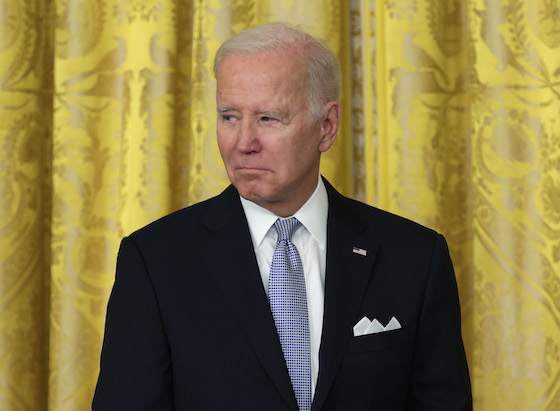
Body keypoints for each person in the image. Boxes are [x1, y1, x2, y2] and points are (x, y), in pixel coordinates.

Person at [92, 22, 472, 410]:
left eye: (268, 119)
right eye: (229, 117)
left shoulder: (414, 258)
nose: (243, 143)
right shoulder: (155, 260)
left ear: (327, 127)